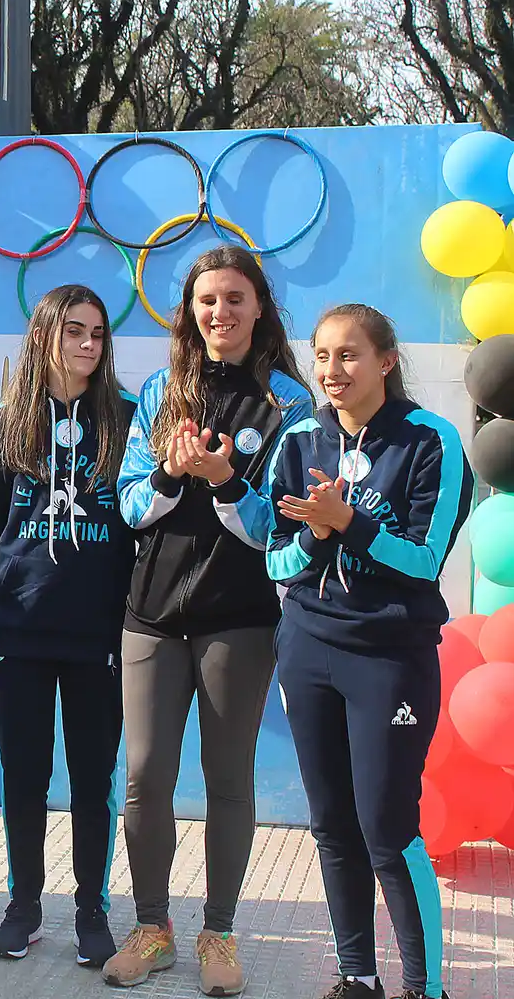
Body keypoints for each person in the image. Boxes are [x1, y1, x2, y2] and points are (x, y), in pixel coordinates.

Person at [105, 246, 314, 995]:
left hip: (239, 619)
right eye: (206, 301)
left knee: (228, 781)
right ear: (189, 314)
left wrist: (226, 480)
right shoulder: (162, 390)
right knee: (144, 778)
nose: (220, 312)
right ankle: (152, 926)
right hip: (151, 616)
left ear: (259, 306)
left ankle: (219, 933)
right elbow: (131, 506)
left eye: (234, 298)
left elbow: (279, 530)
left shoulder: (292, 405)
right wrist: (169, 472)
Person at [266, 305, 470, 999]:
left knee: (387, 827)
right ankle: (358, 974)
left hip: (388, 657)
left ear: (386, 360)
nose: (331, 370)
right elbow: (275, 560)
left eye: (348, 354)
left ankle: (425, 987)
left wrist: (347, 522)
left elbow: (424, 558)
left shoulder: (430, 441)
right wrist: (319, 537)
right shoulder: (298, 440)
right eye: (322, 355)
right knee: (331, 825)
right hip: (307, 649)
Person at [0, 285, 134, 968]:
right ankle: (23, 906)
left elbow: (139, 526)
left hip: (100, 640)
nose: (88, 345)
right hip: (20, 633)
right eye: (74, 332)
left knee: (94, 781)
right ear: (43, 337)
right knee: (23, 777)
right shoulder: (6, 422)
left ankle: (93, 909)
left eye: (97, 334)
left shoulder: (123, 418)